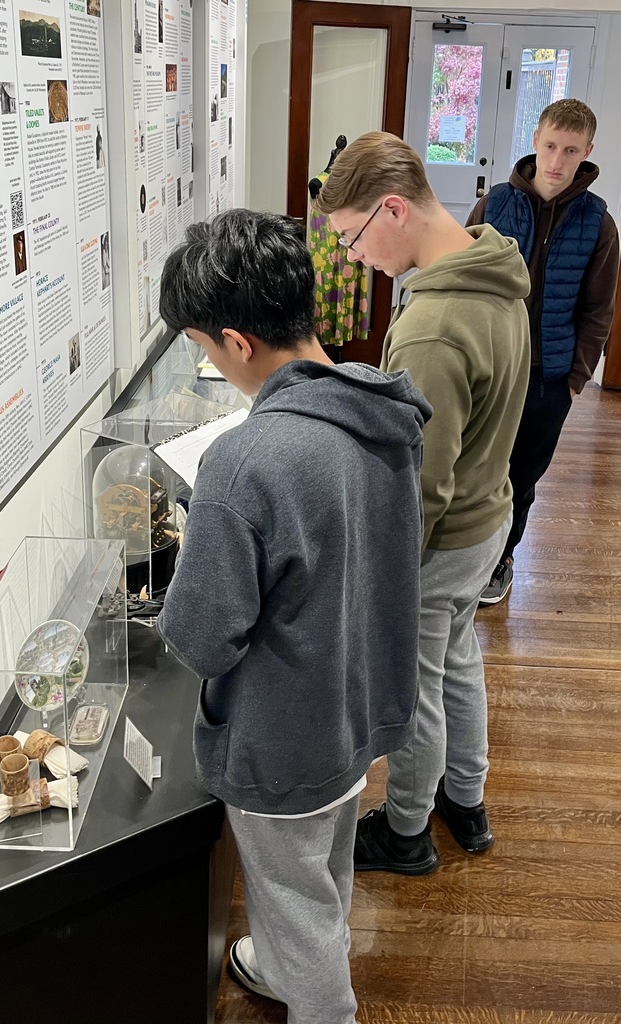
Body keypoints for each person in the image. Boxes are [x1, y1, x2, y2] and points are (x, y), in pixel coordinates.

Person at [156, 209, 430, 1024]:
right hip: (359, 700)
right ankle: (288, 971)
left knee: (293, 901)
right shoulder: (384, 411)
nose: (211, 359)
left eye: (205, 346)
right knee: (323, 872)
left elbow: (203, 636)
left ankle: (320, 1003)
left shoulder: (244, 461)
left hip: (286, 731)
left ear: (237, 342)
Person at [314, 132, 531, 872]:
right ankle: (464, 799)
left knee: (415, 689)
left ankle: (406, 829)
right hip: (488, 515)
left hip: (443, 537)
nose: (351, 256)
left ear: (393, 209)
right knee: (457, 657)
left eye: (352, 236)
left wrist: (386, 576)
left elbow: (421, 483)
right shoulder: (495, 267)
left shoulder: (433, 328)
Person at [468, 99, 619, 604]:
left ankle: (501, 556)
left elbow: (599, 310)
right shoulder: (494, 205)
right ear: (535, 141)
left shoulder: (599, 224)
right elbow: (460, 278)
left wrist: (576, 379)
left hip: (547, 377)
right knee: (473, 465)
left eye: (570, 150)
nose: (557, 160)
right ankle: (461, 555)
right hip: (488, 366)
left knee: (521, 474)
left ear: (587, 153)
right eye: (551, 146)